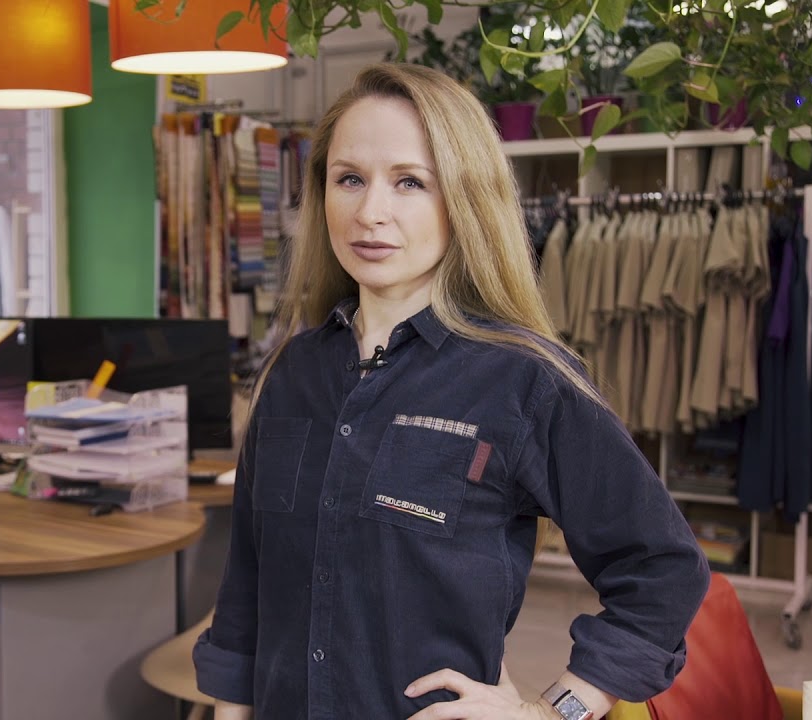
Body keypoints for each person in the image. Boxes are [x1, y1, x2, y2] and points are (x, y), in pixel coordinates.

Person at [192, 63, 710, 720]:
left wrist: (552, 712)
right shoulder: (293, 372)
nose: (370, 212)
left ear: (463, 198)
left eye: (410, 182)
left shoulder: (522, 380)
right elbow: (248, 582)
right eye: (349, 179)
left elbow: (663, 568)